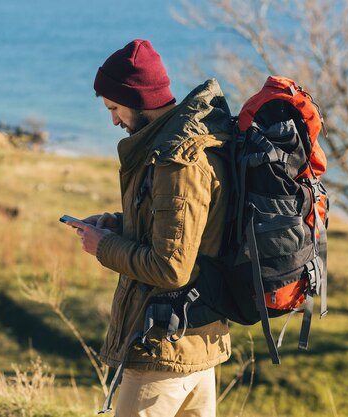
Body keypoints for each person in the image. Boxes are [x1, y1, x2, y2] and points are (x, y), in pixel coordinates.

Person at [65, 39, 233, 417]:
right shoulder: (186, 142)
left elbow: (171, 267)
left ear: (138, 98)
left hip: (164, 348)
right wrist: (117, 225)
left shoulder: (179, 161)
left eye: (115, 108)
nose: (113, 120)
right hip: (193, 342)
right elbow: (189, 231)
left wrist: (103, 247)